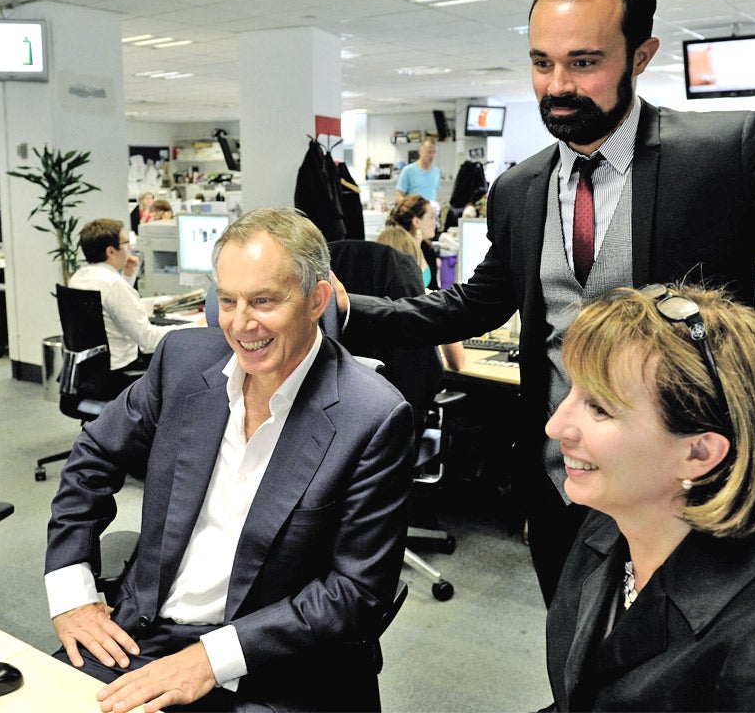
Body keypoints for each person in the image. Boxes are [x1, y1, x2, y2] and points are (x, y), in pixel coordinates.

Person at [339, 0, 755, 606]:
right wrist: (345, 308)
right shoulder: (518, 189)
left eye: (585, 62)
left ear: (641, 55)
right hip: (563, 494)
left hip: (695, 502)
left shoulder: (725, 154)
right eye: (543, 63)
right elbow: (470, 306)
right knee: (578, 671)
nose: (558, 85)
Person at [44, 208, 414, 712]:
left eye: (263, 301)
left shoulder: (372, 415)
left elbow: (354, 592)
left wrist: (208, 659)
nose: (241, 324)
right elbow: (93, 454)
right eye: (227, 300)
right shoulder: (181, 362)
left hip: (270, 662)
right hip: (142, 634)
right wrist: (72, 592)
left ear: (316, 300)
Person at [543, 285, 755, 711]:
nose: (556, 426)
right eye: (573, 394)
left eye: (599, 408)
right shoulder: (608, 525)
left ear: (699, 453)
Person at [68, 218, 196, 398]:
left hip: (91, 373)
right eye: (126, 242)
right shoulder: (113, 284)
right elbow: (147, 339)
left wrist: (128, 276)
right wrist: (195, 326)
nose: (130, 248)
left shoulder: (78, 278)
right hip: (120, 375)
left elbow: (111, 308)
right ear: (111, 250)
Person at [375, 224, 464, 372]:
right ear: (414, 259)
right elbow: (457, 362)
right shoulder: (430, 301)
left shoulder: (369, 305)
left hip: (376, 391)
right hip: (421, 391)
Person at [383, 194, 440, 290]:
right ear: (416, 222)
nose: (436, 223)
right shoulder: (397, 254)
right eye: (431, 217)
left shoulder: (427, 248)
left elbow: (435, 290)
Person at [394, 137, 440, 207]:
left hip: (430, 215)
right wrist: (411, 205)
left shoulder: (436, 171)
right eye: (429, 152)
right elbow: (398, 197)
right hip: (413, 215)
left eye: (434, 152)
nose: (432, 156)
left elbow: (432, 195)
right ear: (420, 152)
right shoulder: (408, 170)